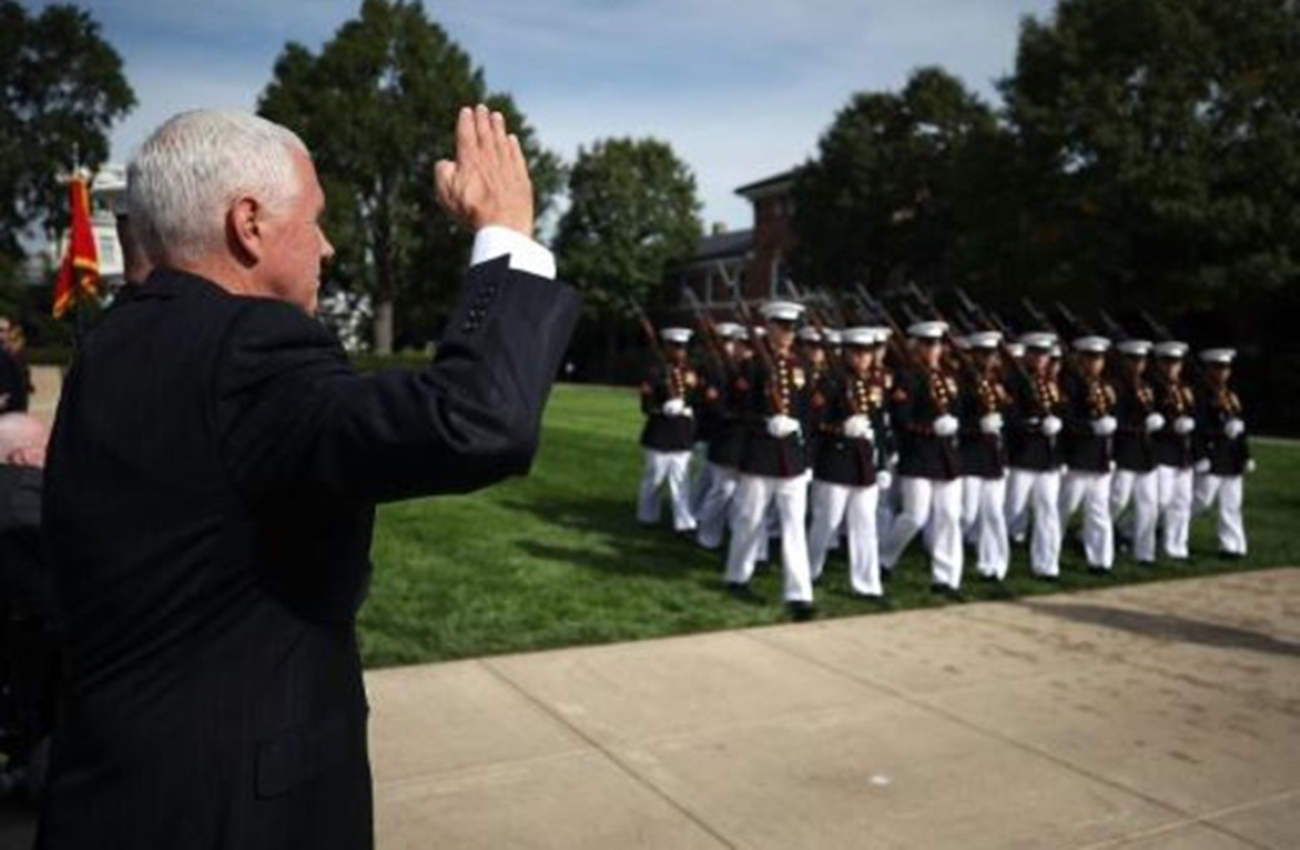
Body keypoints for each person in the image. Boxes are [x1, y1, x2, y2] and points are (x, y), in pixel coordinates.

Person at [36, 106, 581, 850]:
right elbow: (477, 420)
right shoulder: (245, 347)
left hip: (108, 789)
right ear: (249, 223)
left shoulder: (110, 344)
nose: (326, 244)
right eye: (315, 219)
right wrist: (508, 235)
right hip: (238, 813)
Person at [724, 301, 816, 620]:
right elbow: (736, 410)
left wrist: (806, 453)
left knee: (794, 526)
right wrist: (765, 421)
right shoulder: (752, 367)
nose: (787, 333)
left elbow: (808, 413)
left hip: (791, 458)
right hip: (760, 454)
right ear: (770, 327)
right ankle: (737, 576)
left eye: (791, 327)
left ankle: (799, 594)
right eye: (782, 326)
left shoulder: (802, 365)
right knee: (750, 520)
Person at [879, 321, 964, 598]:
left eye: (936, 344)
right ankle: (884, 558)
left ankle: (945, 577)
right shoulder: (907, 377)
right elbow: (901, 419)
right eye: (926, 344)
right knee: (915, 516)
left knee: (949, 516)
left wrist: (954, 423)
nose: (932, 349)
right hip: (919, 455)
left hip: (946, 457)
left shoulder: (948, 376)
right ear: (916, 347)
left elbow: (959, 407)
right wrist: (929, 429)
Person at [806, 327, 888, 599]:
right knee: (826, 522)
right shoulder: (830, 382)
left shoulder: (873, 384)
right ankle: (809, 570)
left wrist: (884, 464)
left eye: (867, 352)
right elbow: (815, 423)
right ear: (846, 353)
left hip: (865, 463)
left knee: (865, 526)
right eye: (857, 352)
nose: (863, 358)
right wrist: (841, 428)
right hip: (835, 461)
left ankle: (867, 584)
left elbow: (879, 428)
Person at [1004, 332, 1065, 580]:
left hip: (1047, 457)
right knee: (1012, 509)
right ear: (1027, 354)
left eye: (1045, 355)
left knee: (1047, 510)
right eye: (1036, 354)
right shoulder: (1015, 381)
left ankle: (1047, 564)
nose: (1041, 359)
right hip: (1023, 455)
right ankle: (992, 555)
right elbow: (1009, 418)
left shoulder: (1050, 383)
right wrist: (1035, 424)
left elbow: (1061, 411)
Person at [1058, 336, 1118, 575]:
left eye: (1099, 358)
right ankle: (1050, 552)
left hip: (1100, 458)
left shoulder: (1105, 385)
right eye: (1091, 358)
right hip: (1077, 456)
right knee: (1064, 508)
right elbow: (1066, 419)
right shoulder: (1070, 383)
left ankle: (1101, 561)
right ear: (1081, 359)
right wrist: (1090, 427)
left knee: (1098, 512)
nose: (1096, 363)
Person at [956, 331, 1011, 582]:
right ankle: (949, 552)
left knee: (994, 513)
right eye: (983, 354)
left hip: (993, 456)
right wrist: (978, 426)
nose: (989, 359)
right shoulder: (963, 383)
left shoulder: (998, 382)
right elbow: (955, 422)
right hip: (970, 456)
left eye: (992, 354)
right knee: (966, 514)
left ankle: (994, 564)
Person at [636, 327, 700, 532]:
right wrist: (662, 408)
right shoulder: (653, 372)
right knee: (654, 478)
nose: (680, 352)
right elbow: (646, 406)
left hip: (682, 434)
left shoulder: (690, 372)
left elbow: (697, 398)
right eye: (676, 347)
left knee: (681, 481)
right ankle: (647, 516)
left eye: (683, 347)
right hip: (660, 434)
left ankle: (683, 523)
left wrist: (687, 406)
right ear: (666, 348)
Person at [1192, 348, 1253, 559]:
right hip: (1212, 455)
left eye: (1226, 368)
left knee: (1232, 503)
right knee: (1201, 500)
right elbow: (1197, 428)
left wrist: (1246, 456)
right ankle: (1164, 525)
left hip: (1231, 458)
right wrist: (1201, 454)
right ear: (1208, 369)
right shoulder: (1200, 394)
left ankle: (1232, 545)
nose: (1222, 372)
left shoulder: (1231, 395)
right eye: (1217, 367)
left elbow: (1240, 430)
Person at [694, 323, 748, 549]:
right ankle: (706, 533)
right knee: (722, 489)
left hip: (749, 438)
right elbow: (715, 405)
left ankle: (735, 535)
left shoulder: (754, 371)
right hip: (726, 437)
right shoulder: (718, 371)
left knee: (742, 494)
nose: (744, 350)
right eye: (740, 345)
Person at [1110, 339, 1161, 566]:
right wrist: (1140, 424)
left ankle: (1144, 552)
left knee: (1149, 502)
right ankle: (1090, 532)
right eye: (1133, 360)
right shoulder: (1116, 386)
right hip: (1125, 450)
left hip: (1145, 453)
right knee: (1118, 499)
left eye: (1141, 360)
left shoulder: (1146, 386)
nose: (1138, 364)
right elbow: (1115, 420)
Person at [1150, 340, 1197, 560]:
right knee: (1160, 500)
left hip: (1183, 454)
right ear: (1159, 363)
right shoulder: (1152, 387)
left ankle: (1176, 546)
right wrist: (1170, 426)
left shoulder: (1185, 389)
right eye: (1167, 362)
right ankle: (1127, 531)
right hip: (1162, 451)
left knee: (1182, 502)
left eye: (1176, 363)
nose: (1171, 367)